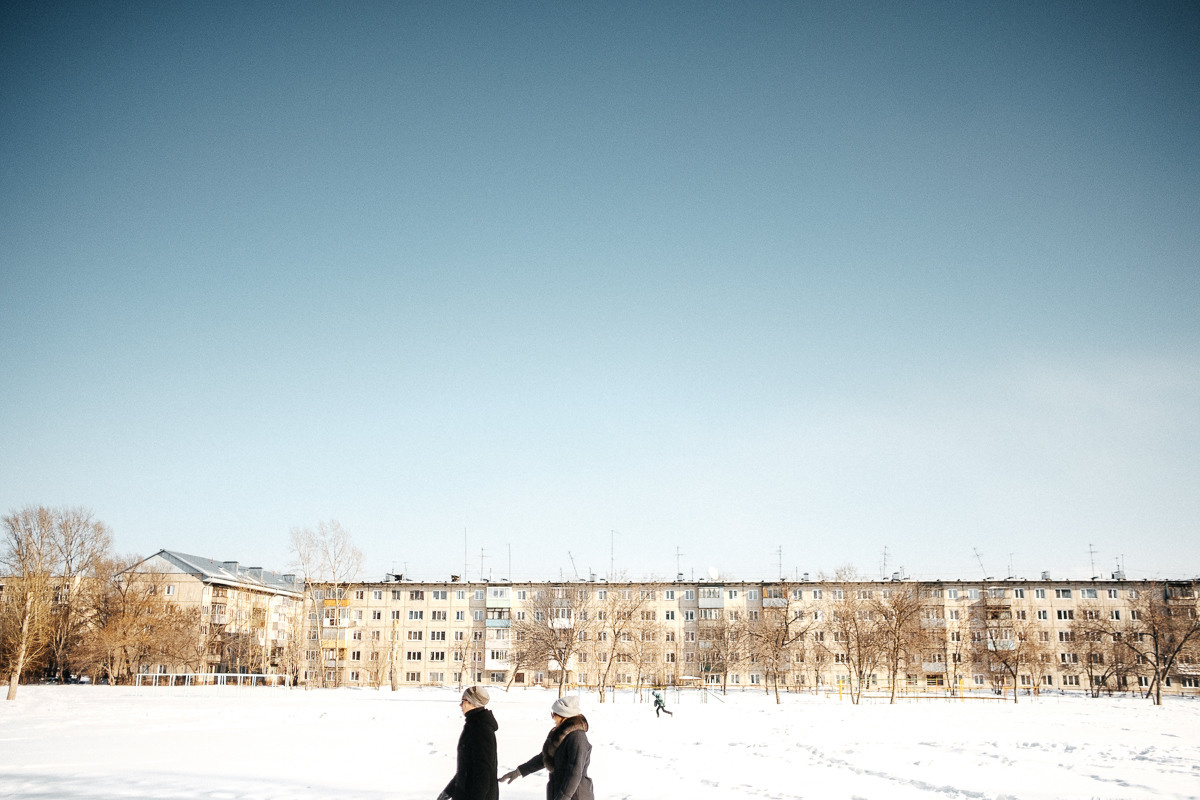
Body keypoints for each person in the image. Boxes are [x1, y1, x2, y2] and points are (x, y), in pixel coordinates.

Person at [500, 695, 593, 800]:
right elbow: (545, 757)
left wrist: (564, 797)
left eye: (554, 714)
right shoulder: (559, 734)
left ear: (564, 716)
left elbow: (575, 772)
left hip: (576, 795)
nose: (552, 717)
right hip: (558, 791)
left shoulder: (577, 737)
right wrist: (519, 771)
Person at [438, 686, 498, 800]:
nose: (460, 705)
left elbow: (484, 772)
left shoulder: (481, 729)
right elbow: (466, 768)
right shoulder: (473, 725)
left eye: (463, 701)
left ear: (472, 703)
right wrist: (449, 790)